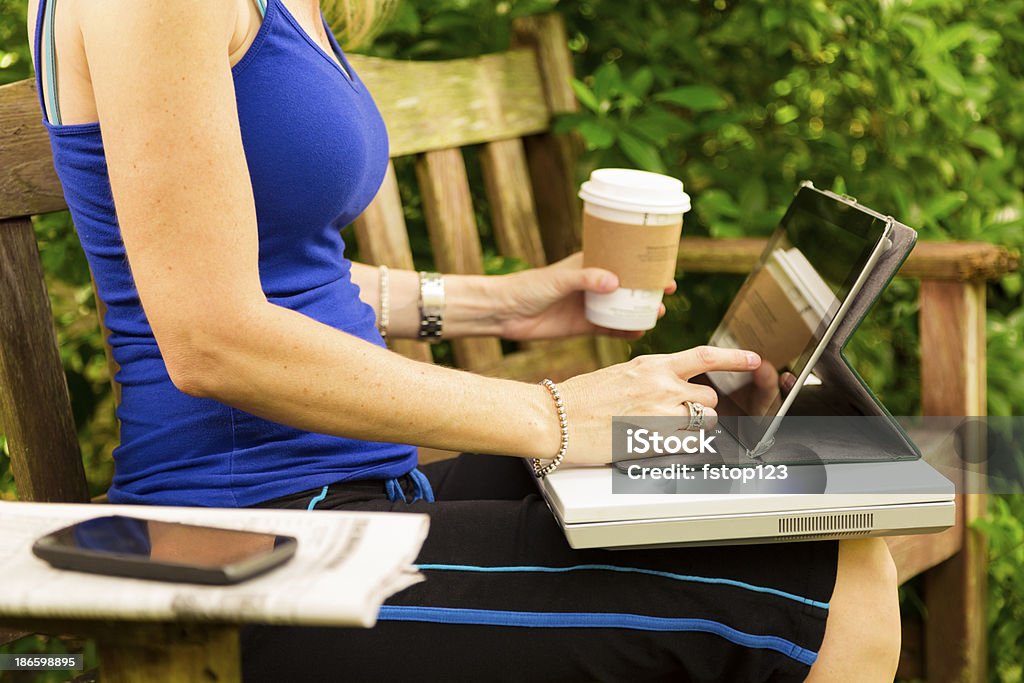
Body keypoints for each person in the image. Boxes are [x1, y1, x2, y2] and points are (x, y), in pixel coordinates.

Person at [26, 0, 900, 680]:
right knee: (825, 590)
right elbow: (212, 335)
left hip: (362, 496)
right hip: (243, 546)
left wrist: (500, 305)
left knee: (798, 507)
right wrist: (554, 412)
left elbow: (279, 274)